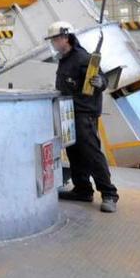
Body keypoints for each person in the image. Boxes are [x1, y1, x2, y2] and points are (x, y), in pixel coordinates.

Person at [46, 21, 119, 213]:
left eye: (55, 39)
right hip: (69, 112)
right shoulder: (65, 58)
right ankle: (83, 189)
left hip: (84, 113)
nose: (53, 43)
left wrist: (99, 82)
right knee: (74, 153)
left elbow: (102, 80)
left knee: (91, 154)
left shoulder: (83, 58)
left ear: (65, 37)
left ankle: (109, 194)